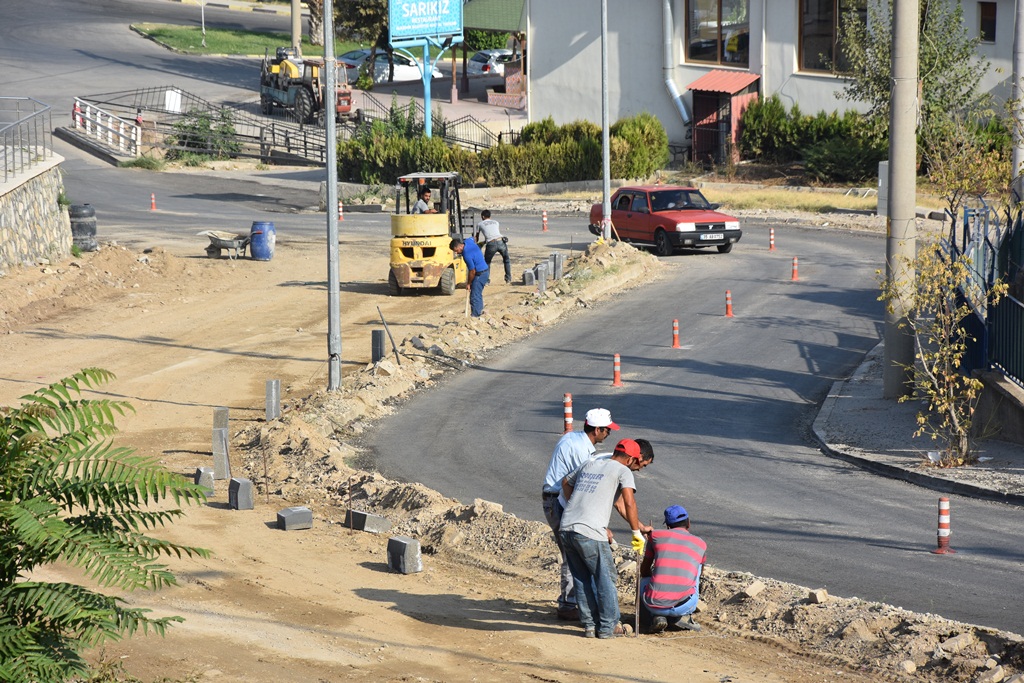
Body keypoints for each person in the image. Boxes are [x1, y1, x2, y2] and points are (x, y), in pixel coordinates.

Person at [560, 438, 652, 639]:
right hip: (590, 532)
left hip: (567, 528)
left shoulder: (591, 463)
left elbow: (565, 482)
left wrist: (577, 505)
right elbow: (629, 502)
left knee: (582, 579)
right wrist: (636, 533)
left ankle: (590, 626)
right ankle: (609, 626)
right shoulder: (623, 471)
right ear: (630, 459)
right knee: (606, 578)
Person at [541, 408, 619, 621]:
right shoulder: (579, 450)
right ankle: (568, 604)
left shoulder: (575, 439)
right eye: (607, 430)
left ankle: (576, 602)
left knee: (575, 553)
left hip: (557, 499)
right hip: (558, 501)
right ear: (597, 429)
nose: (609, 434)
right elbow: (578, 485)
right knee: (572, 554)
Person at [639, 504, 707, 633]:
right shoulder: (701, 543)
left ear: (668, 526)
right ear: (688, 523)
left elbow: (644, 571)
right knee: (696, 569)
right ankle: (681, 617)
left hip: (653, 605)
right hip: (684, 605)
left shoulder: (655, 536)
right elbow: (699, 574)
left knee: (644, 581)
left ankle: (652, 617)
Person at [450, 235, 489, 317]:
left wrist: (468, 283)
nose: (457, 252)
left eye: (456, 250)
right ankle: (479, 312)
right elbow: (474, 238)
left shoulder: (466, 254)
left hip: (480, 274)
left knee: (474, 296)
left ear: (459, 246)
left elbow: (472, 271)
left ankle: (475, 316)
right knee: (477, 293)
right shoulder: (468, 241)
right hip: (485, 271)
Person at [474, 210, 512, 284]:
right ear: (490, 216)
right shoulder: (496, 222)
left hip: (491, 244)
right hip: (501, 241)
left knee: (487, 262)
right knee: (506, 260)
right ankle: (508, 279)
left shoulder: (479, 224)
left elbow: (477, 238)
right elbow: (494, 232)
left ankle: (486, 281)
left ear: (482, 216)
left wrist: (476, 244)